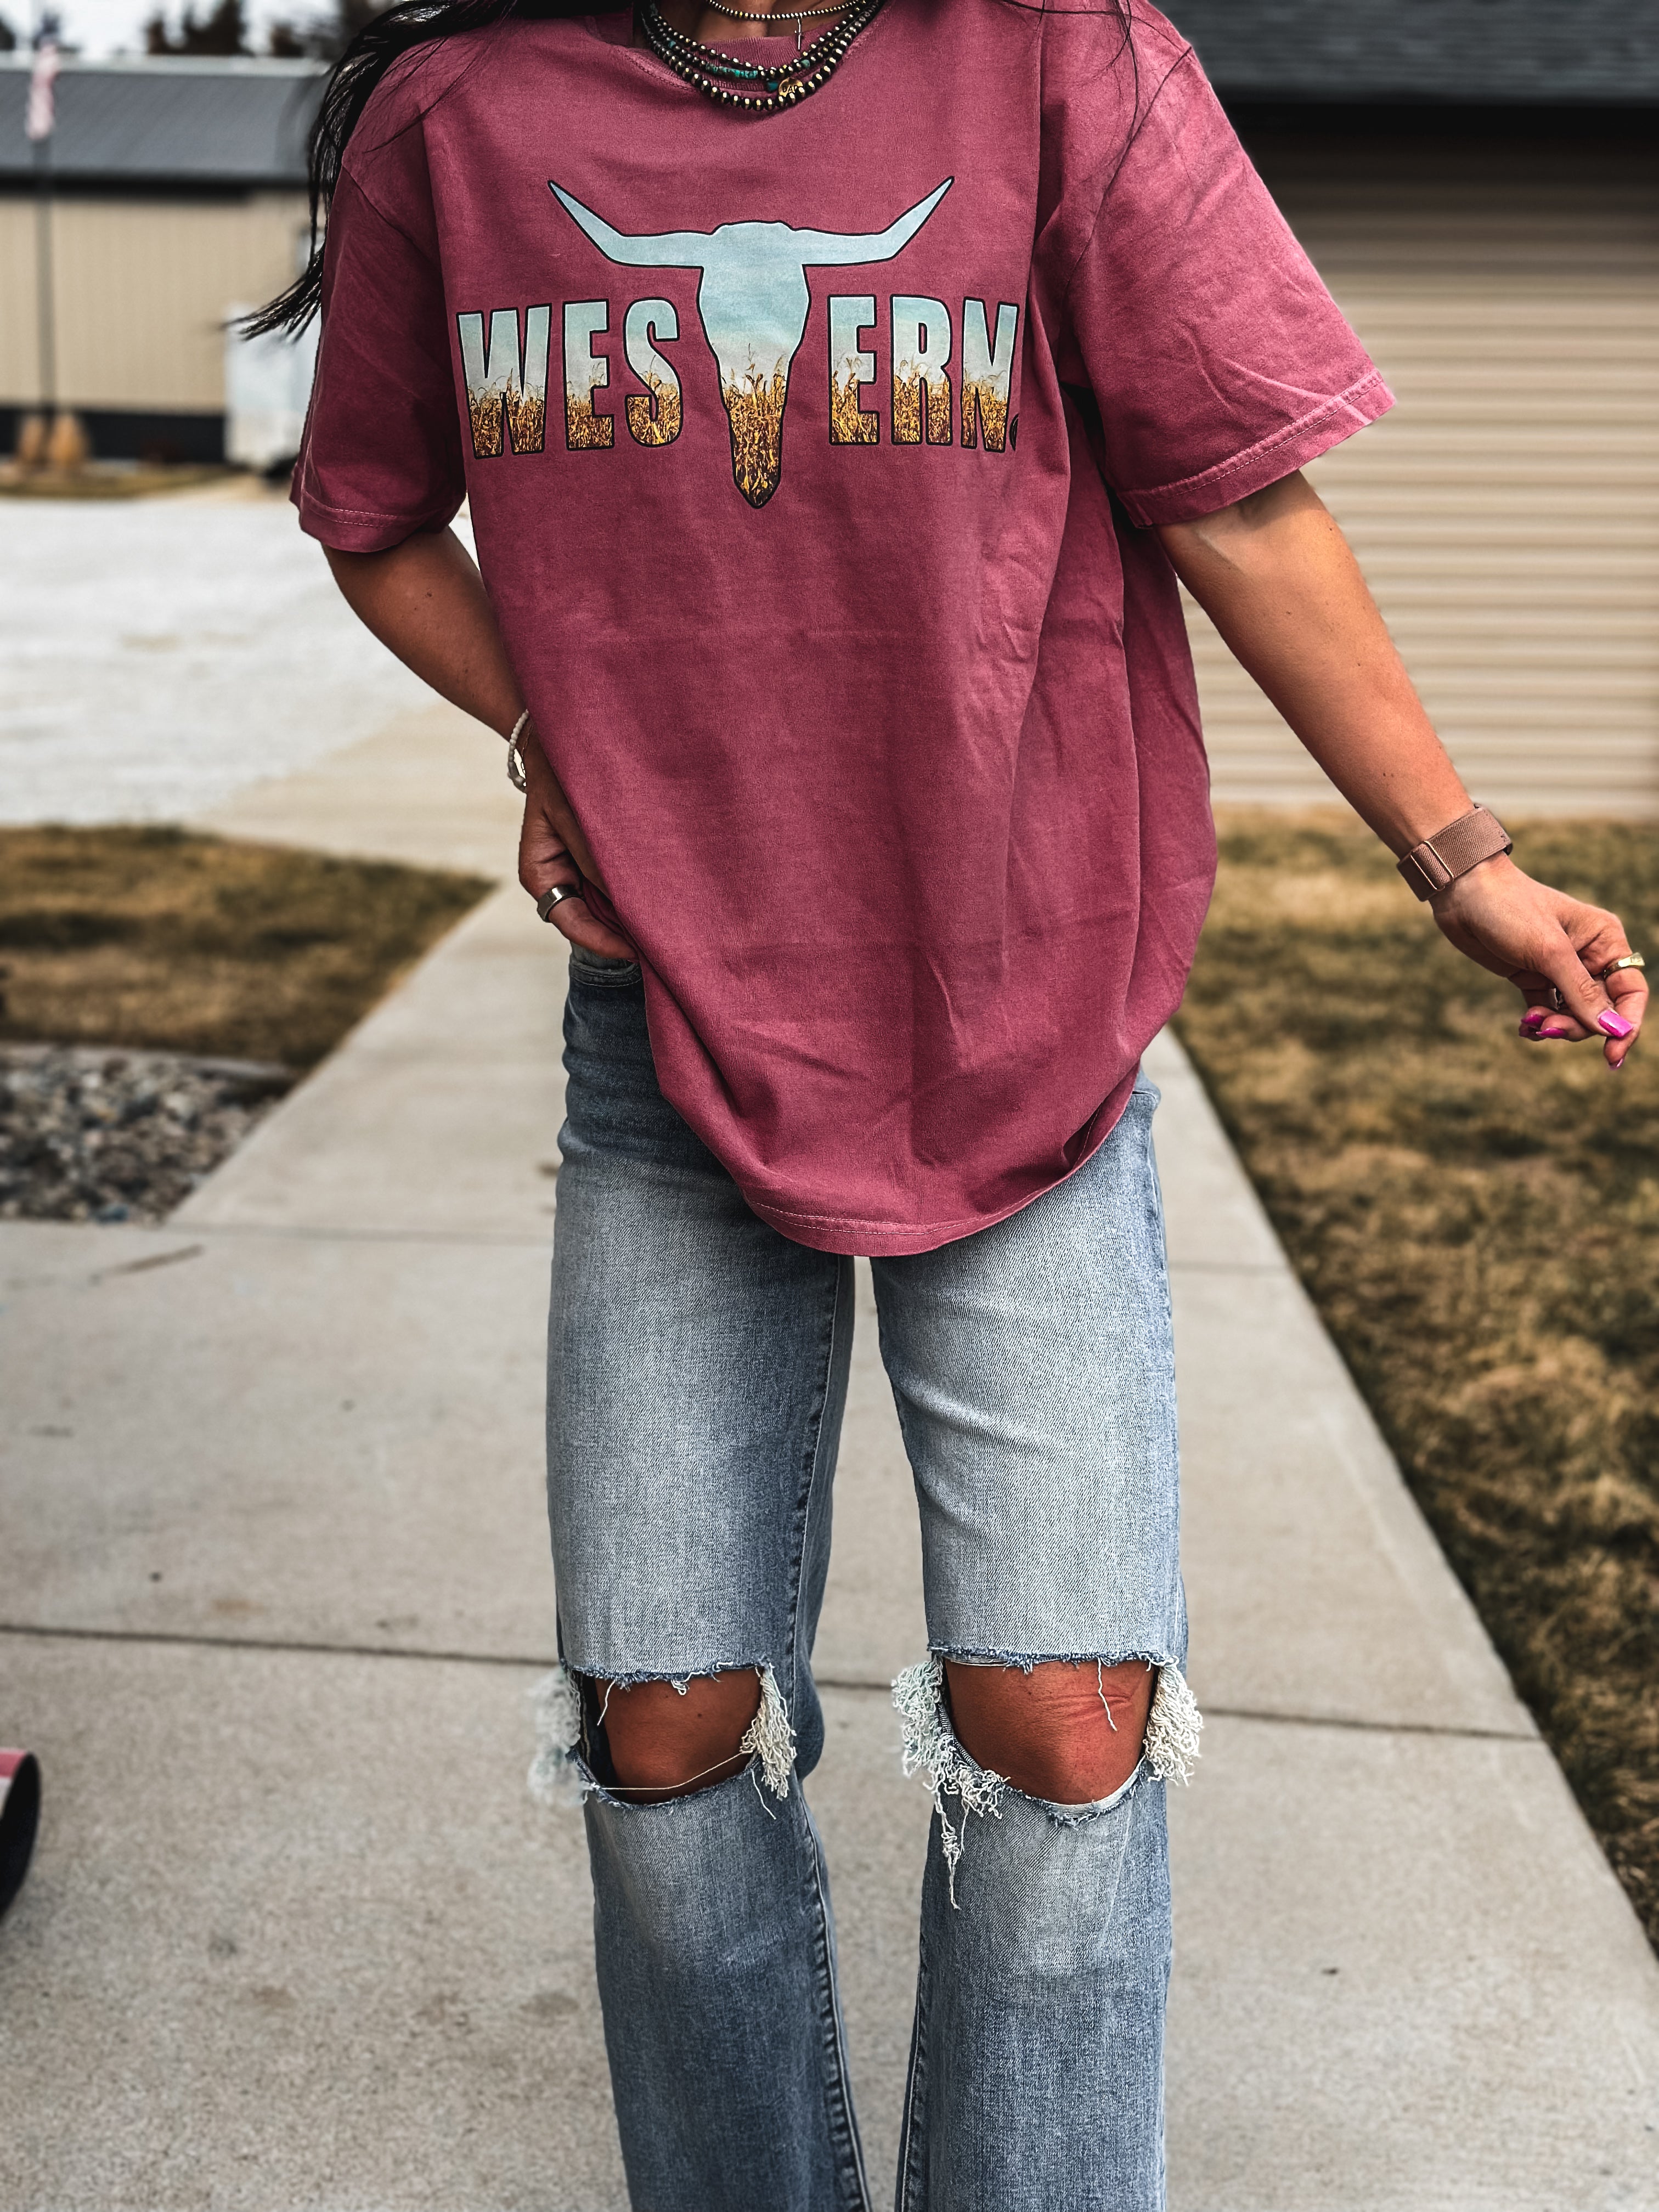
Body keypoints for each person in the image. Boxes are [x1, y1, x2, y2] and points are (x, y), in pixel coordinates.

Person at [256, 0, 1647, 2203]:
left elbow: (1241, 494)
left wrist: (1459, 857)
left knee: (1065, 1721)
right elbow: (373, 515)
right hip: (675, 1018)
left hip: (1026, 995)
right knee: (665, 1721)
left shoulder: (1063, 62)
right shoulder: (466, 118)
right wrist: (553, 740)